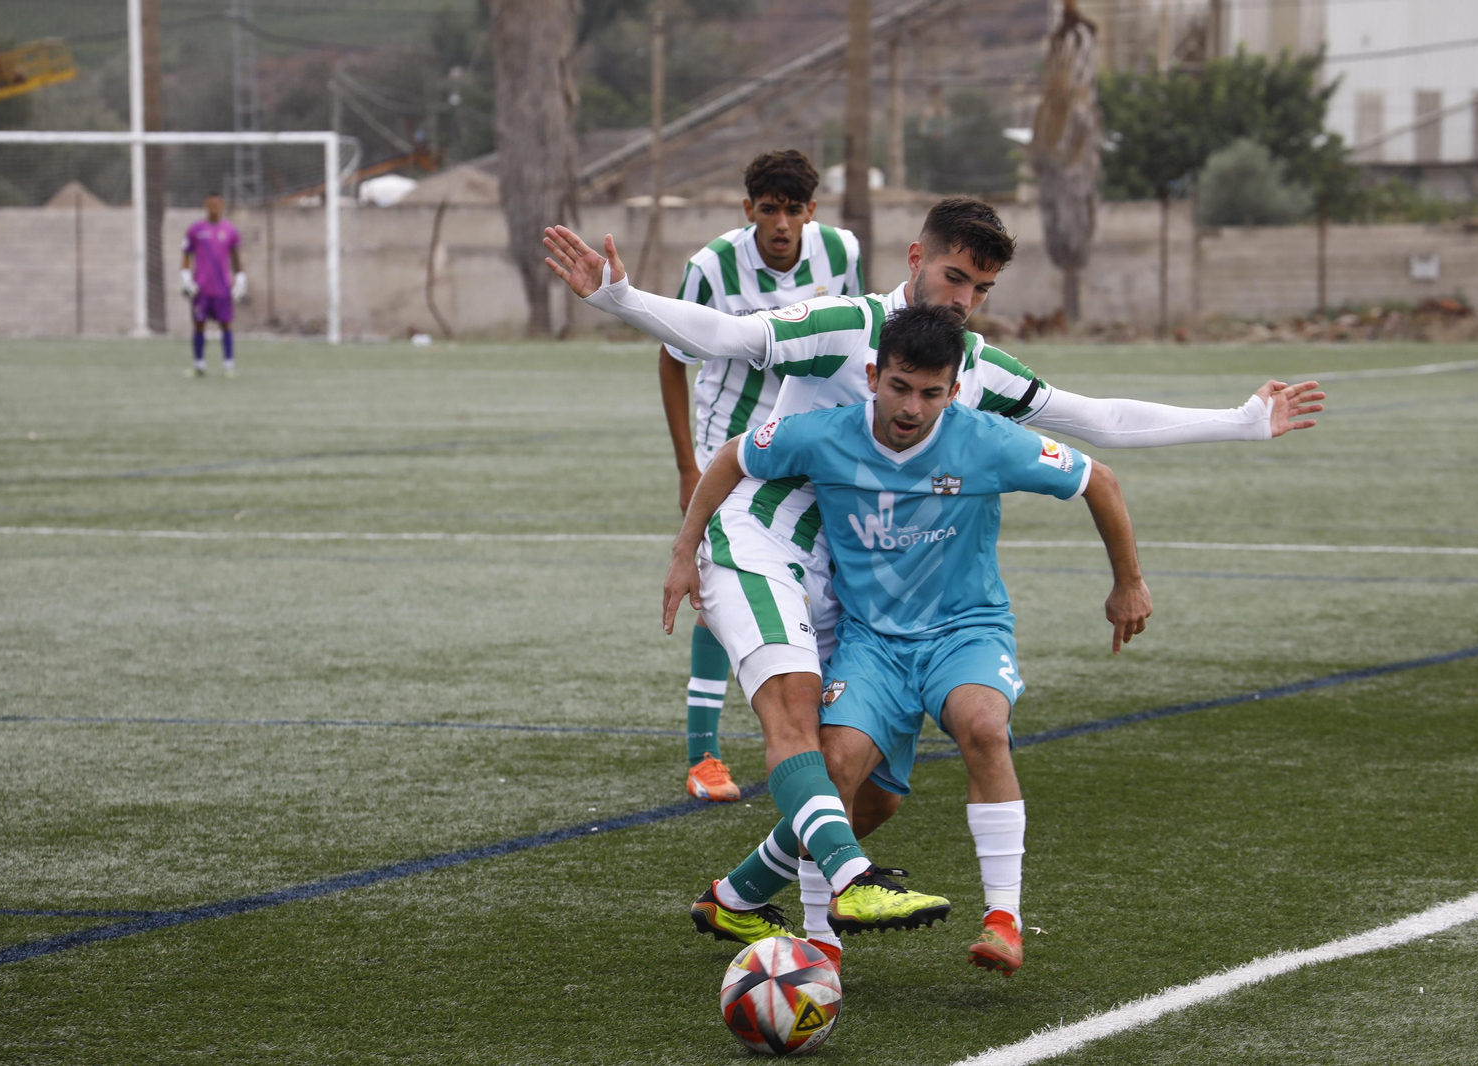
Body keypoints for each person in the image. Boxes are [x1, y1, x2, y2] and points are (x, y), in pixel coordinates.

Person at [541, 198, 1323, 960]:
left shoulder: (972, 366)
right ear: (915, 260)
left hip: (855, 582)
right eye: (955, 278)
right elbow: (732, 334)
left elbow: (1097, 421)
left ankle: (739, 898)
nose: (966, 301)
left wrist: (1241, 421)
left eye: (981, 290)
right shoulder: (847, 326)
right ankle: (845, 893)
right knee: (799, 722)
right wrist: (620, 297)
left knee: (875, 790)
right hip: (765, 543)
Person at [666, 305, 1147, 975]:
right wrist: (685, 550)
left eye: (931, 392)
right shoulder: (824, 435)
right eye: (899, 386)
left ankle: (1003, 920)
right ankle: (815, 946)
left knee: (983, 725)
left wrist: (1128, 582)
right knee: (841, 775)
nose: (913, 407)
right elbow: (731, 457)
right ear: (872, 375)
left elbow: (1099, 478)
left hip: (965, 630)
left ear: (954, 391)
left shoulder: (986, 440)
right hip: (872, 644)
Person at [658, 149, 862, 805]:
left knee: (818, 575)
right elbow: (671, 360)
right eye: (768, 209)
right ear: (748, 211)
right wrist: (689, 463)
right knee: (723, 585)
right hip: (729, 442)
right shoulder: (711, 267)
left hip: (805, 440)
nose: (781, 223)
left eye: (793, 210)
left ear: (812, 211)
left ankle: (829, 727)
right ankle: (704, 755)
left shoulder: (841, 253)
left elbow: (852, 343)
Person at [180, 193, 247, 378]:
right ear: (205, 205)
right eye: (210, 205)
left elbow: (236, 258)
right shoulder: (195, 230)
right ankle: (199, 365)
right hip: (201, 289)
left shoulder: (231, 231)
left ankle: (228, 365)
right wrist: (185, 278)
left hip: (222, 288)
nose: (214, 208)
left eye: (217, 205)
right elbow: (186, 255)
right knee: (199, 325)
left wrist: (241, 279)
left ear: (223, 206)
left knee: (226, 325)